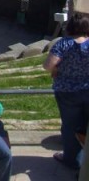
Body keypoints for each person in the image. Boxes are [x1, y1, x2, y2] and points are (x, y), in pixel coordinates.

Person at [43, 12, 89, 169]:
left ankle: (71, 159)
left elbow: (47, 66)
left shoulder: (63, 44)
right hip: (87, 89)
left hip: (67, 91)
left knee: (70, 126)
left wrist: (56, 68)